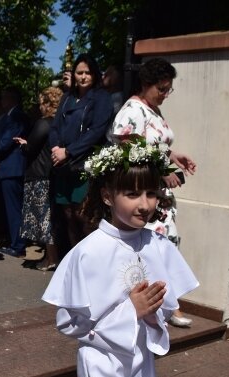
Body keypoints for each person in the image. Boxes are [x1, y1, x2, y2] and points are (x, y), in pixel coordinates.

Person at [35, 139, 197, 377]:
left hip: (140, 365)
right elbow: (69, 323)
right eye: (131, 193)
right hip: (105, 369)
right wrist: (130, 311)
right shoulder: (89, 252)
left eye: (151, 193)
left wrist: (154, 312)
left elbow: (166, 305)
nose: (144, 204)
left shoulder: (156, 243)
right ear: (107, 195)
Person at [109, 57, 197, 328]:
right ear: (146, 84)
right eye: (161, 88)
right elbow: (127, 151)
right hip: (144, 192)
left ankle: (167, 304)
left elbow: (154, 144)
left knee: (164, 246)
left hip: (156, 192)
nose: (165, 94)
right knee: (157, 247)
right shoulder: (132, 110)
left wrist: (173, 155)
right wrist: (160, 171)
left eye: (168, 89)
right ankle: (165, 305)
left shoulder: (151, 110)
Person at [48, 53, 113, 255]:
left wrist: (68, 151)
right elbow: (55, 126)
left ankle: (90, 259)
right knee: (67, 214)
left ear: (94, 75)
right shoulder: (67, 98)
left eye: (87, 72)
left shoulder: (102, 98)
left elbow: (96, 131)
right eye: (79, 72)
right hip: (63, 165)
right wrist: (55, 149)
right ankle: (74, 257)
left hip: (84, 164)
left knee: (84, 215)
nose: (83, 77)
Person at [14, 86, 63, 271]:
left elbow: (31, 148)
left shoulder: (44, 123)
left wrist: (24, 145)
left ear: (48, 104)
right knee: (49, 219)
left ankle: (51, 259)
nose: (39, 106)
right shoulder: (58, 124)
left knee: (44, 220)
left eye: (41, 102)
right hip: (50, 175)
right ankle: (50, 257)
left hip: (39, 176)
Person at [0, 86, 29, 257]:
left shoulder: (17, 117)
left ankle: (18, 245)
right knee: (12, 208)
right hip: (8, 169)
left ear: (12, 99)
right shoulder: (8, 116)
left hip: (12, 169)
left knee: (14, 208)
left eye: (4, 98)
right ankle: (16, 241)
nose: (2, 101)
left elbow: (6, 141)